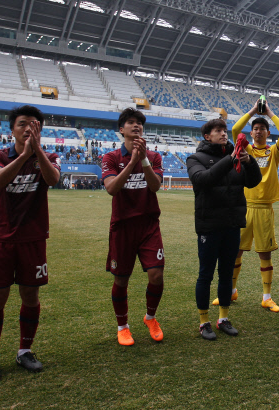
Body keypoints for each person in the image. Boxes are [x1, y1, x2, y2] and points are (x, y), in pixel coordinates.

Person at [0, 105, 60, 382]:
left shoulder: (48, 157)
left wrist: (36, 153)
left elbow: (54, 179)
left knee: (31, 296)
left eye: (34, 124)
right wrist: (24, 155)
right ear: (12, 129)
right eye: (22, 124)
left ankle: (25, 350)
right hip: (0, 238)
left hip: (33, 239)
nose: (28, 128)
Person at [187, 119, 262, 340]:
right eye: (218, 131)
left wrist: (249, 162)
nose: (223, 134)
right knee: (206, 274)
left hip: (231, 224)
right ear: (207, 136)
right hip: (209, 225)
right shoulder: (195, 159)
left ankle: (223, 318)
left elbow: (253, 182)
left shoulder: (236, 155)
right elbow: (204, 179)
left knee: (226, 274)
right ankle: (203, 321)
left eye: (224, 130)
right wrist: (231, 160)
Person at [212, 102, 279, 312]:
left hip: (264, 207)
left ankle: (266, 297)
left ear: (267, 132)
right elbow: (235, 130)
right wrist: (253, 111)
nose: (258, 131)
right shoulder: (246, 149)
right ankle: (231, 291)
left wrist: (269, 113)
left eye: (262, 128)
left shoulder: (274, 152)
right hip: (244, 206)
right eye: (255, 129)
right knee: (236, 251)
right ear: (252, 132)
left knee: (265, 253)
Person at [101, 108, 165, 346]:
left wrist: (144, 158)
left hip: (149, 225)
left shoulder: (155, 157)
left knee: (156, 275)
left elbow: (155, 187)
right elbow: (111, 188)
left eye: (139, 123)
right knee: (121, 280)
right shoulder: (110, 158)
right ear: (122, 129)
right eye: (130, 122)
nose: (136, 125)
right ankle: (123, 327)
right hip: (123, 226)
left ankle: (150, 318)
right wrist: (132, 163)